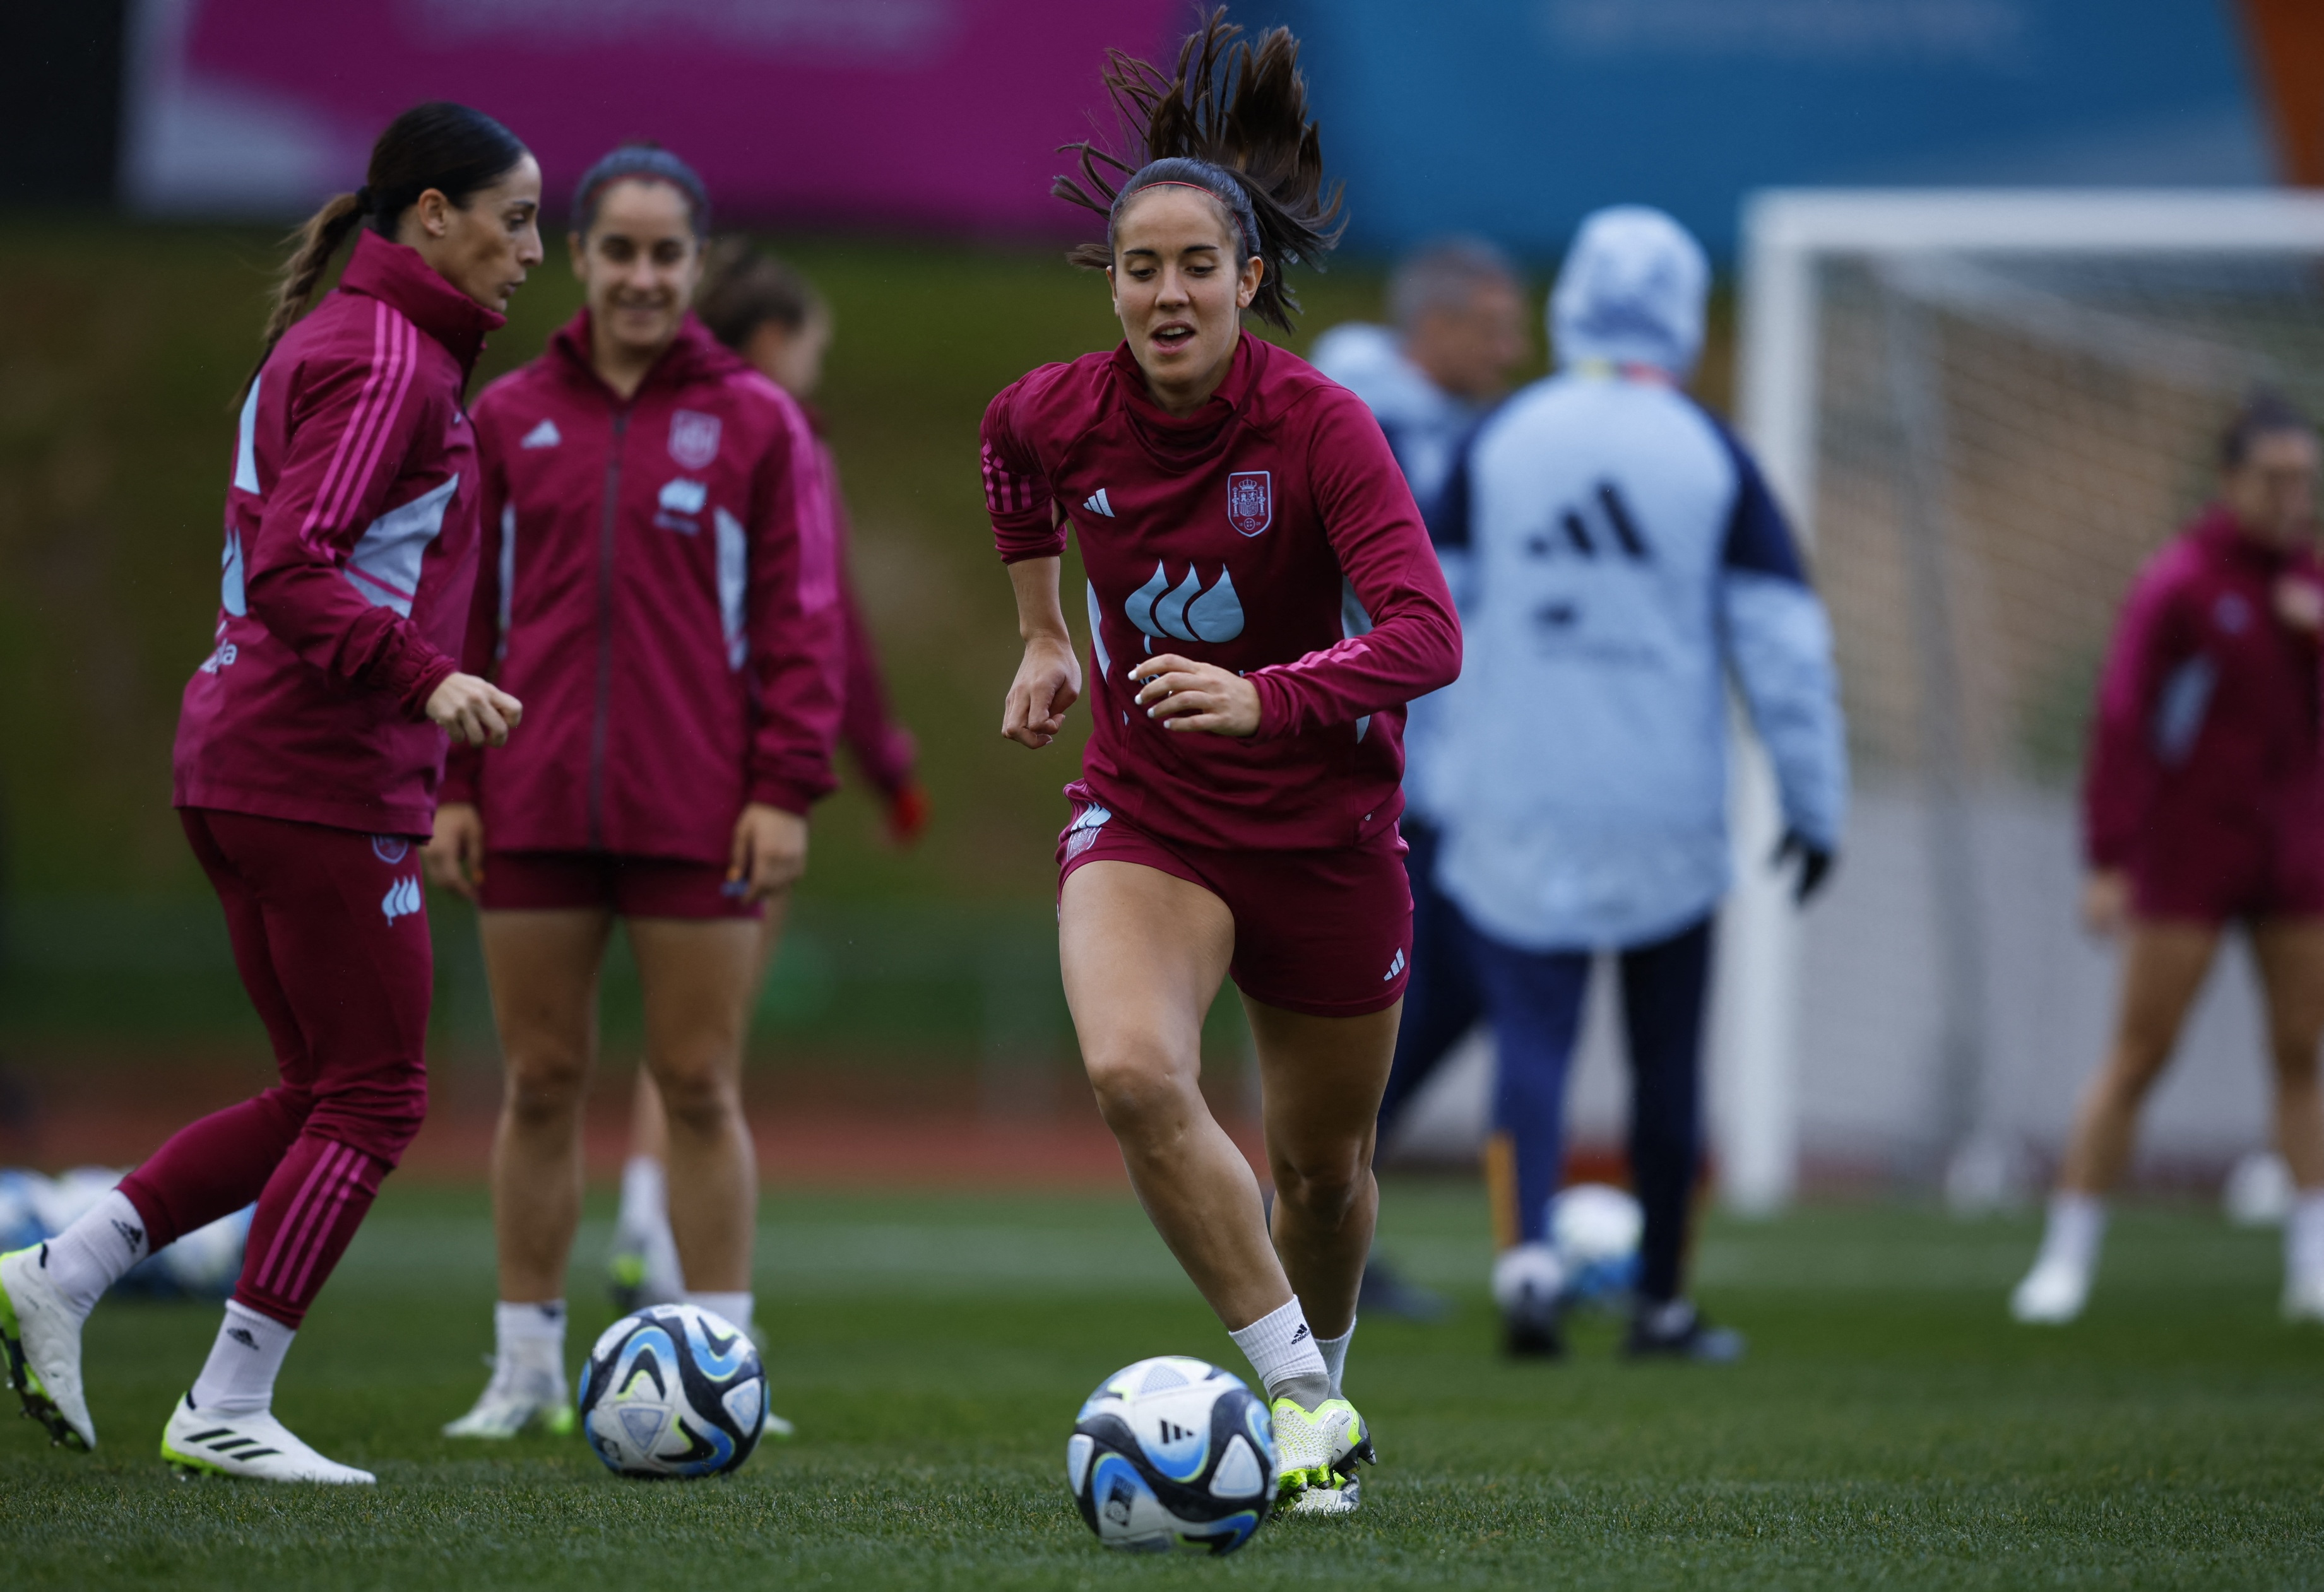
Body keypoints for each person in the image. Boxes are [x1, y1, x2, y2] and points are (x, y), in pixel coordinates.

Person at [0, 102, 541, 1482]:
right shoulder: (390, 362)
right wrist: (424, 679)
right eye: (518, 218)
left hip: (245, 752)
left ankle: (65, 1268)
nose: (537, 249)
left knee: (317, 1084)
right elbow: (303, 565)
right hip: (314, 767)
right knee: (378, 1094)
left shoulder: (342, 338)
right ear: (432, 213)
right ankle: (226, 1399)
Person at [983, 13, 1459, 1514]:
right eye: (1141, 267)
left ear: (1248, 280)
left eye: (1198, 265)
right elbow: (1009, 458)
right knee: (1133, 1068)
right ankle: (1306, 1406)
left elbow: (1427, 634)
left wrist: (1272, 699)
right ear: (1110, 285)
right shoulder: (1058, 408)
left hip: (1323, 830)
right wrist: (1041, 634)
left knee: (1320, 1173)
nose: (1167, 292)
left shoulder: (1322, 429)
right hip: (1151, 815)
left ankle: (1320, 1368)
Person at [426, 146, 844, 1437]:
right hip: (531, 799)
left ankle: (725, 1358)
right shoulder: (504, 418)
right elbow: (455, 611)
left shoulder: (760, 424)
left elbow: (803, 622)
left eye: (669, 254)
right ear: (578, 253)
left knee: (700, 1081)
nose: (644, 276)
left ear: (699, 263)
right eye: (619, 249)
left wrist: (783, 787)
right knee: (540, 1079)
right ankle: (524, 1367)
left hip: (698, 808)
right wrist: (451, 781)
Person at [1431, 206, 1846, 1360]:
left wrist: (1415, 763)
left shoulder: (1501, 439)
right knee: (1668, 1058)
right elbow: (1784, 646)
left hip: (1516, 791)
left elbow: (1414, 611)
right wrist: (1814, 803)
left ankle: (1523, 1263)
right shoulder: (1710, 453)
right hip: (1663, 801)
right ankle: (1660, 1302)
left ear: (1568, 300)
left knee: (1530, 1035)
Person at [602, 240, 929, 1312]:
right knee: (710, 1036)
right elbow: (832, 630)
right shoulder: (780, 435)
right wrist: (885, 765)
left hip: (604, 759)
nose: (818, 373)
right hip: (739, 772)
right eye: (816, 350)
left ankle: (633, 1224)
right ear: (778, 340)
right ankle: (675, 1258)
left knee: (605, 1041)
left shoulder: (626, 421)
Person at [2013, 392, 2324, 1326]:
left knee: (2300, 1053)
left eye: (2302, 479)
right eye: (2272, 478)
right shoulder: (2180, 585)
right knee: (2140, 1052)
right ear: (2229, 481)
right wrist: (2107, 856)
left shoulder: (2309, 589)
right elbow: (2121, 720)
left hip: (2294, 858)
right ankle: (2065, 1256)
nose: (2289, 496)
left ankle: (2310, 1265)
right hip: (2189, 856)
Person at [1311, 239, 1529, 1321]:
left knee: (1460, 991)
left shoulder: (1453, 425)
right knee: (1396, 997)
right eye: (1491, 323)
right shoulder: (1366, 406)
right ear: (1432, 327)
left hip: (1447, 771)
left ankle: (1326, 1196)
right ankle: (1316, 1196)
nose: (1512, 345)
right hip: (1371, 762)